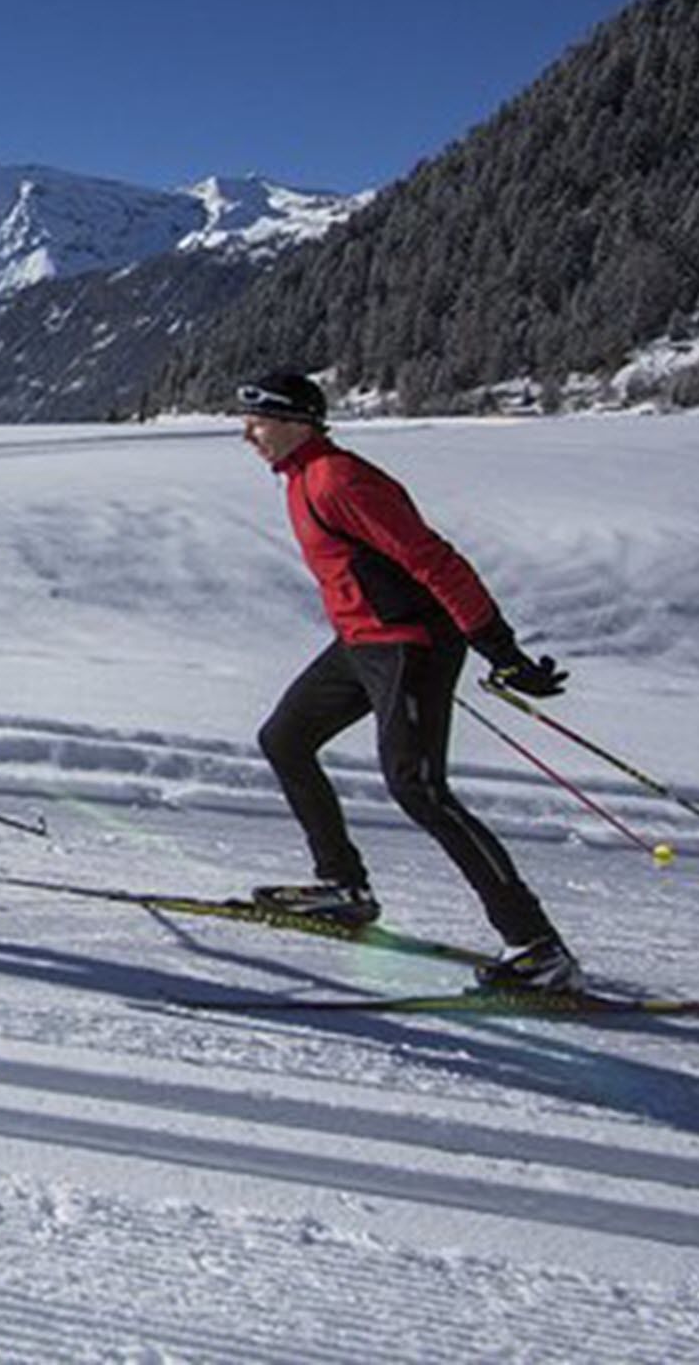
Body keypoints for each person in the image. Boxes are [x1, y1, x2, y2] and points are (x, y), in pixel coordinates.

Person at [233, 371, 582, 991]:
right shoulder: (301, 477)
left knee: (418, 789)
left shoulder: (340, 480)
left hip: (408, 648)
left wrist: (499, 648)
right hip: (361, 644)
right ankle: (343, 886)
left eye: (256, 421)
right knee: (284, 739)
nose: (246, 433)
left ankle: (538, 948)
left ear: (296, 422)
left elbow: (433, 560)